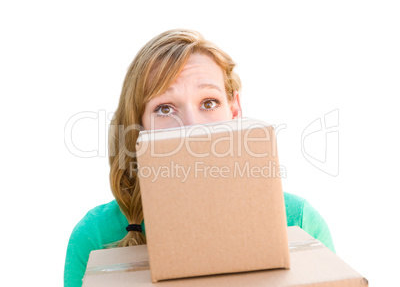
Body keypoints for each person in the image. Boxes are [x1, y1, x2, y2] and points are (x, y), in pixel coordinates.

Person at [64, 29, 335, 287]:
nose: (192, 127)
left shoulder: (297, 222)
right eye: (165, 108)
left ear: (234, 109)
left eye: (209, 102)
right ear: (139, 126)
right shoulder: (96, 237)